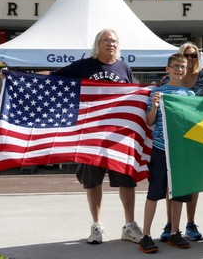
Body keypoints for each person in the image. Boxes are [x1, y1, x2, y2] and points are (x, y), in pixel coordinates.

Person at [51, 28, 143, 245]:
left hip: (119, 135)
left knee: (127, 180)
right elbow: (54, 78)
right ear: (97, 44)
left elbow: (136, 94)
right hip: (91, 134)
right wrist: (17, 75)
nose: (110, 44)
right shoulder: (84, 66)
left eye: (113, 41)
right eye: (105, 40)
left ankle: (129, 226)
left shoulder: (124, 68)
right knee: (93, 181)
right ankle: (96, 225)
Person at [138, 53, 194, 253]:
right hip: (161, 149)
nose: (180, 69)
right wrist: (153, 106)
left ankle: (175, 232)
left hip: (180, 151)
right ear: (167, 69)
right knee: (154, 193)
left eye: (183, 66)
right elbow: (149, 122)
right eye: (176, 66)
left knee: (178, 193)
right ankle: (145, 235)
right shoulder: (157, 92)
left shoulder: (189, 96)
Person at [158, 42, 203, 242]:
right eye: (187, 55)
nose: (191, 58)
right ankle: (171, 223)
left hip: (195, 137)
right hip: (171, 141)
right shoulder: (166, 80)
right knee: (172, 185)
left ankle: (190, 222)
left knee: (192, 183)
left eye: (194, 55)